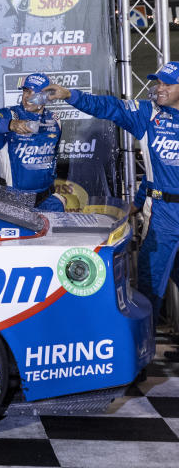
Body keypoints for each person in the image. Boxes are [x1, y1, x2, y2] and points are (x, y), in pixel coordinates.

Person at [45, 62, 179, 341]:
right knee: (150, 283)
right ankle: (143, 350)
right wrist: (71, 95)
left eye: (167, 84)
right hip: (164, 213)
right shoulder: (149, 114)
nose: (159, 88)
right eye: (158, 83)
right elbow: (110, 107)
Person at [0, 73, 65, 211]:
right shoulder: (10, 115)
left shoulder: (55, 120)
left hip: (48, 201)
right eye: (26, 91)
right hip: (14, 202)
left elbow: (53, 159)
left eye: (36, 93)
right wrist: (10, 125)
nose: (29, 97)